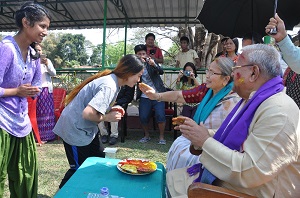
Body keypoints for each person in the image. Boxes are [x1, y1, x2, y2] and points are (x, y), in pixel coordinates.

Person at [165, 44, 300, 197]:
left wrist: (205, 141)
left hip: (244, 192)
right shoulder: (253, 99)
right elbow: (234, 136)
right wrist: (201, 134)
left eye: (236, 68)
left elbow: (251, 172)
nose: (232, 73)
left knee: (171, 184)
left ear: (254, 73)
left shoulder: (279, 110)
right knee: (169, 178)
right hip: (228, 183)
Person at [53, 54, 144, 188]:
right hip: (75, 130)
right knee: (78, 170)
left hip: (87, 130)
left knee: (98, 160)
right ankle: (63, 193)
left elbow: (96, 105)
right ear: (129, 73)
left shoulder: (114, 82)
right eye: (138, 75)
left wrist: (112, 108)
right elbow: (88, 113)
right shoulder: (110, 85)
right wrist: (108, 117)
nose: (138, 80)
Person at [139, 57, 240, 172]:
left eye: (212, 73)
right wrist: (156, 96)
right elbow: (179, 95)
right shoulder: (207, 90)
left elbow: (223, 134)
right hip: (195, 143)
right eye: (207, 70)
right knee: (178, 146)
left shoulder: (232, 101)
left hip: (212, 153)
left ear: (226, 79)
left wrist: (192, 127)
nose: (207, 75)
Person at [0, 2, 50, 197]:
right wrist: (16, 92)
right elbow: (18, 90)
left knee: (25, 174)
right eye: (42, 26)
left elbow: (36, 83)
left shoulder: (33, 54)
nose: (45, 32)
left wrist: (33, 90)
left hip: (21, 122)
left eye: (47, 28)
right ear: (26, 22)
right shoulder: (5, 48)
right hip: (2, 120)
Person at [135, 44, 167, 145]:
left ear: (146, 53)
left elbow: (161, 72)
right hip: (144, 95)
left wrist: (153, 64)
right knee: (143, 116)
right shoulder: (135, 66)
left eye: (143, 53)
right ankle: (146, 135)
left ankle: (161, 137)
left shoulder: (151, 62)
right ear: (136, 55)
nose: (142, 55)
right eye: (139, 54)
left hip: (157, 94)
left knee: (160, 115)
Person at [35, 43, 57, 142]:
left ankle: (48, 136)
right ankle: (37, 136)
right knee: (37, 113)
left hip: (46, 90)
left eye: (40, 50)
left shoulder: (47, 61)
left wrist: (47, 64)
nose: (38, 52)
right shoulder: (31, 60)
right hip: (36, 89)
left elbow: (53, 73)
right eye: (36, 50)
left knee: (47, 114)